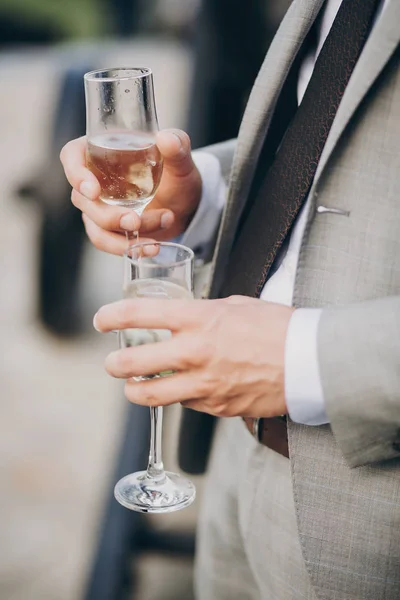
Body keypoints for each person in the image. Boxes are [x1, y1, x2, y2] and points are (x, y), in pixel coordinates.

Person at [60, 0, 400, 598]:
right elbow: (331, 131)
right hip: (235, 467)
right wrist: (208, 195)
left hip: (373, 516)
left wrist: (306, 360)